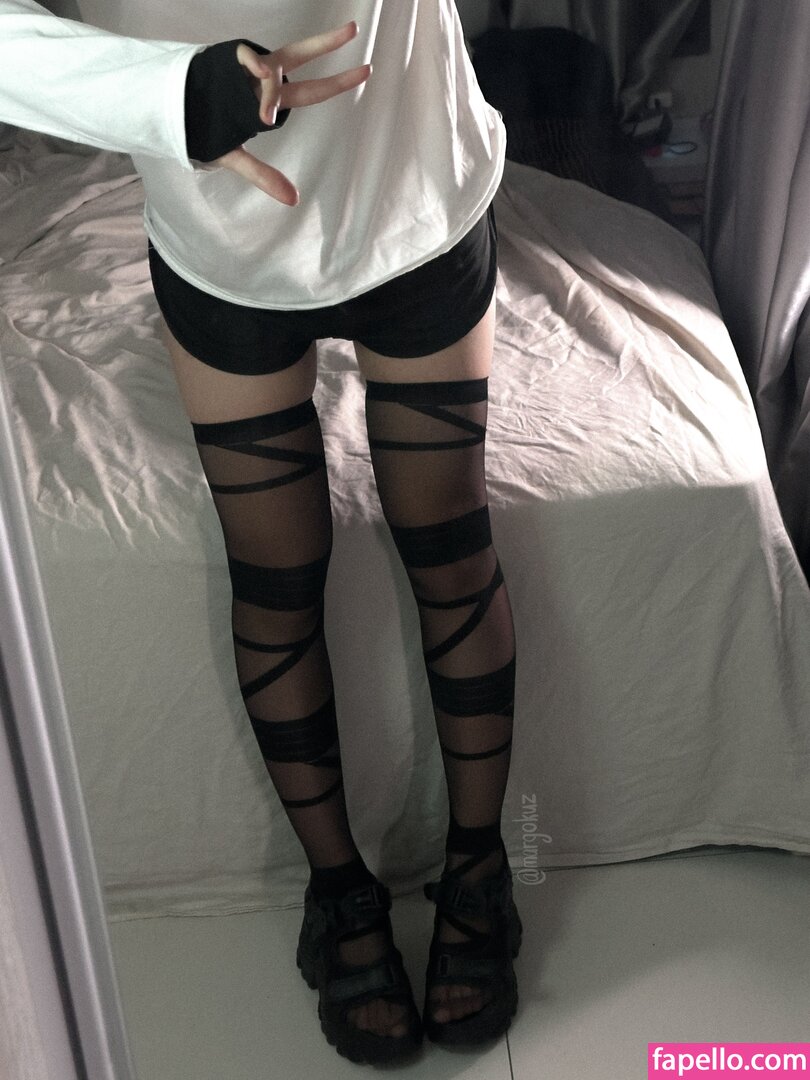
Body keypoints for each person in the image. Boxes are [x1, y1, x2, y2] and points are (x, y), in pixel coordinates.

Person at [0, 0, 520, 1064]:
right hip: (220, 226)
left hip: (411, 178)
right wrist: (162, 96)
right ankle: (340, 891)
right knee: (276, 574)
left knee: (450, 544)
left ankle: (481, 867)